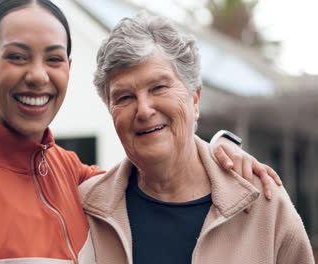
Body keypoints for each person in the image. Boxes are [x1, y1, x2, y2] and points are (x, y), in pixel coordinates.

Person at [0, 1, 282, 263]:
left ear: (68, 69)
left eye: (54, 58)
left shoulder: (74, 178)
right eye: (17, 56)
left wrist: (220, 149)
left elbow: (160, 167)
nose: (38, 75)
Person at [79, 12, 314, 264]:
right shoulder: (86, 209)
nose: (144, 110)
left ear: (195, 99)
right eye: (124, 97)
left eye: (158, 87)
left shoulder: (263, 201)